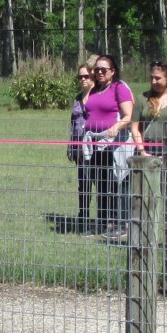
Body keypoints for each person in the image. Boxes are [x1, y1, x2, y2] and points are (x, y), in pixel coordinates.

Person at [81, 54, 135, 240]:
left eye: (104, 69)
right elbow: (86, 107)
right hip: (97, 145)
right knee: (104, 185)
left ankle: (122, 223)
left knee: (119, 183)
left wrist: (115, 127)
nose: (100, 72)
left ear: (113, 71)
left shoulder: (119, 88)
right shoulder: (95, 89)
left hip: (116, 144)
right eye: (97, 69)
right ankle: (106, 222)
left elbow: (129, 115)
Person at [69, 58, 98, 228]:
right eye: (80, 77)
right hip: (80, 147)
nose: (83, 80)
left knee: (101, 183)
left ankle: (106, 218)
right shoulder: (78, 97)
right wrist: (71, 146)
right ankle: (83, 215)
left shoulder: (98, 96)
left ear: (93, 76)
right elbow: (73, 122)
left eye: (86, 76)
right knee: (84, 182)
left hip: (97, 147)